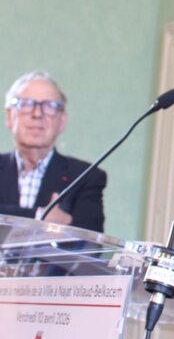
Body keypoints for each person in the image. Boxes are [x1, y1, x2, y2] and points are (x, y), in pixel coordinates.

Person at [0, 70, 106, 232]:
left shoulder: (86, 176)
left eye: (50, 106)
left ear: (62, 121)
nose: (37, 114)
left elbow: (91, 237)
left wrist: (66, 223)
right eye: (26, 104)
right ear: (9, 116)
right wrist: (39, 217)